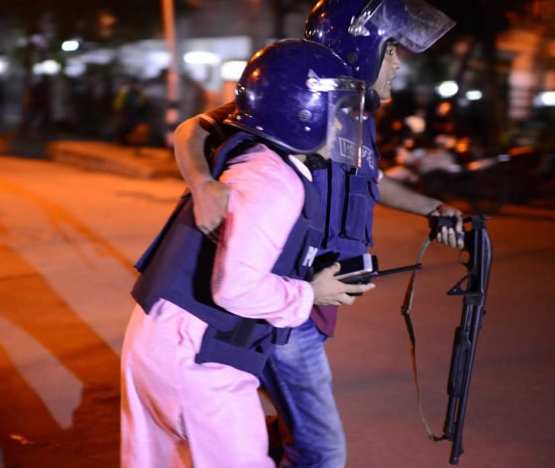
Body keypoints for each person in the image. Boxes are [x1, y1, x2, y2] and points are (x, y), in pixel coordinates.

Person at [173, 0, 464, 468]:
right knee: (322, 451)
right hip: (286, 305)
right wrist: (203, 184)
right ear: (364, 49)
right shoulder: (297, 97)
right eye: (392, 52)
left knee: (283, 430)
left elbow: (368, 179)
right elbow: (192, 129)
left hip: (308, 304)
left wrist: (433, 209)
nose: (398, 64)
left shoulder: (354, 115)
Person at [120, 39, 375, 468]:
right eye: (337, 111)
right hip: (197, 360)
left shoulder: (252, 154)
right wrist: (310, 295)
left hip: (159, 340)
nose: (345, 126)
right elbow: (236, 288)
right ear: (302, 113)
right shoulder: (275, 181)